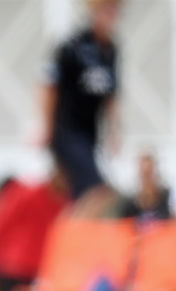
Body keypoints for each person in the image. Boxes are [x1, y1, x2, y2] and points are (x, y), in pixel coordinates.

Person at [41, 0, 122, 217]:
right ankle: (70, 233)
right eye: (107, 10)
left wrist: (115, 131)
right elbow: (49, 87)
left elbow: (111, 96)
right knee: (96, 190)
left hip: (89, 137)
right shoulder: (72, 47)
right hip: (67, 132)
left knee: (80, 195)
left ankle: (73, 235)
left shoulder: (111, 51)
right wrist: (46, 128)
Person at [118, 151, 171, 224]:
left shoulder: (167, 199)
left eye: (149, 173)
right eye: (144, 175)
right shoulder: (129, 206)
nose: (147, 180)